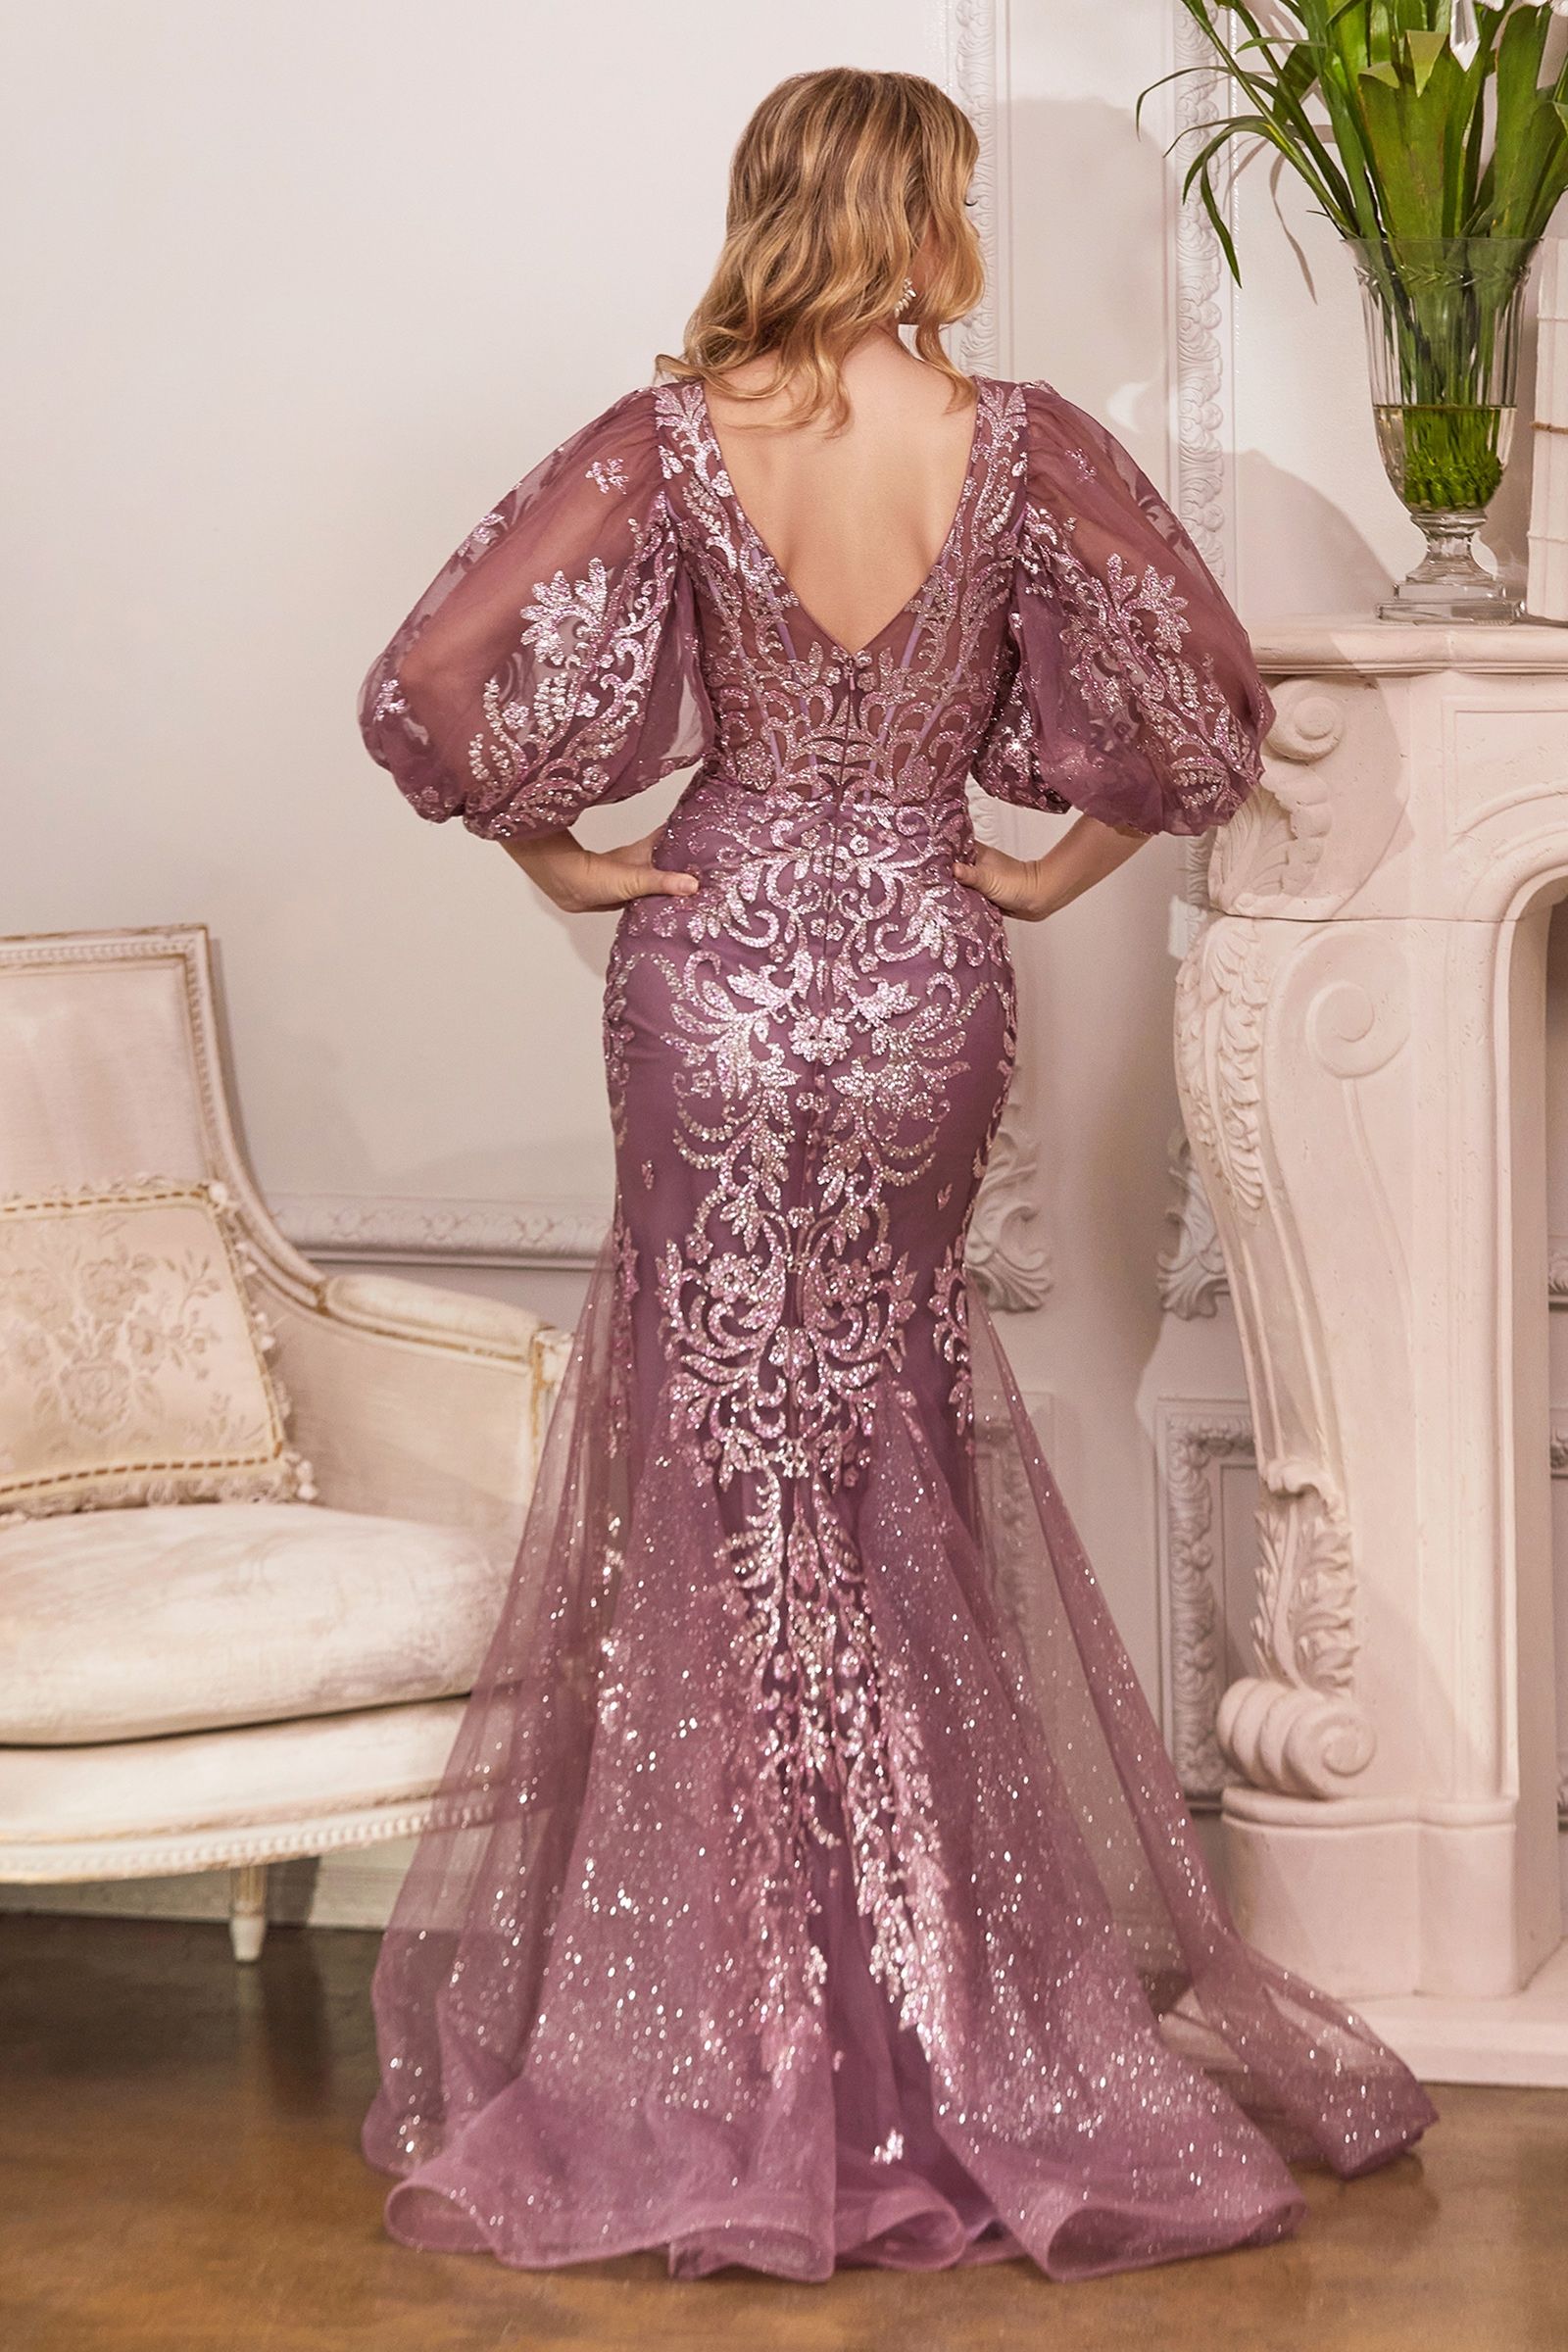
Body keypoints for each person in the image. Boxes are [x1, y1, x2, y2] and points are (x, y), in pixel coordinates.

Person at [354, 64, 1437, 2285]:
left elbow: (433, 681)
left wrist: (570, 855)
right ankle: (927, 2016)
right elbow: (1207, 711)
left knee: (725, 1466)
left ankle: (735, 2035)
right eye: (954, 192)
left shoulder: (669, 441)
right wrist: (1038, 877)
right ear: (912, 211)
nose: (969, 226)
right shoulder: (1020, 444)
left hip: (717, 971)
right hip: (924, 981)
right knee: (890, 1447)